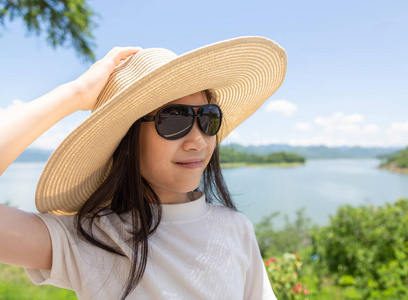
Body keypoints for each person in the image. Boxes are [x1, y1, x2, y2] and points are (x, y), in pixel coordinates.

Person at [0, 36, 287, 299]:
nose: (198, 140)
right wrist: (76, 93)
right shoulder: (92, 239)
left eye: (208, 118)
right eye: (175, 120)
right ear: (128, 140)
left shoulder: (236, 230)